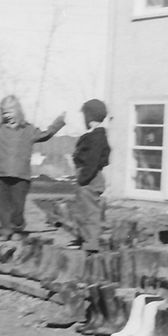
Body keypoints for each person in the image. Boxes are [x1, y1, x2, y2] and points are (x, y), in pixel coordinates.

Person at [0, 95, 65, 240]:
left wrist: (59, 122)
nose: (6, 116)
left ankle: (17, 228)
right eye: (3, 113)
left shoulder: (28, 130)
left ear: (17, 111)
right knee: (3, 206)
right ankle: (5, 230)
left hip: (21, 175)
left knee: (18, 206)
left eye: (9, 112)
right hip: (1, 173)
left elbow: (46, 134)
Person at [60, 99, 111, 251]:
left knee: (91, 212)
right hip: (88, 177)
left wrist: (84, 178)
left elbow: (93, 161)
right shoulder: (93, 135)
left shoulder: (97, 137)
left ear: (90, 117)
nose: (84, 119)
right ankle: (82, 238)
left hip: (91, 177)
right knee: (82, 210)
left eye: (85, 116)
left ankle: (91, 242)